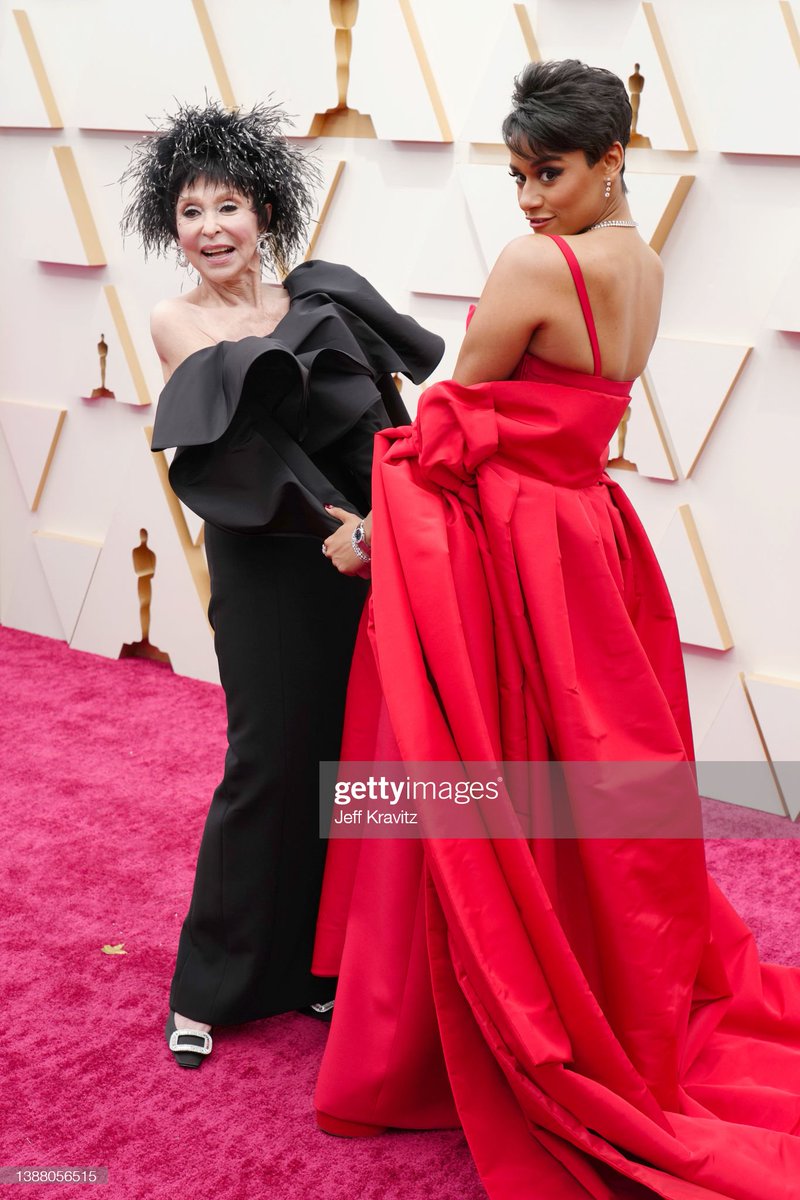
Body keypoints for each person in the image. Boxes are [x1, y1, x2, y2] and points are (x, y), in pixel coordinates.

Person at [314, 61, 800, 1198]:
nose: (529, 198)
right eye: (519, 175)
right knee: (586, 772)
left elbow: (444, 430)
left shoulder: (538, 264)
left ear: (613, 156)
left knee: (484, 773)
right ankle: (592, 968)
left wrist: (369, 539)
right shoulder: (642, 261)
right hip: (592, 533)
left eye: (552, 172)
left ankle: (477, 1013)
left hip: (514, 544)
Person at [120, 100, 443, 1067]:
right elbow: (246, 451)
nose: (210, 228)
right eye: (189, 212)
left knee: (344, 765)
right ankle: (208, 985)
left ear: (265, 210)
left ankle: (314, 966)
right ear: (169, 226)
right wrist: (344, 527)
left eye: (228, 206)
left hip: (361, 554)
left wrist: (388, 523)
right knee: (264, 761)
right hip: (267, 551)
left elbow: (380, 424)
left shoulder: (324, 299)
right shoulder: (176, 319)